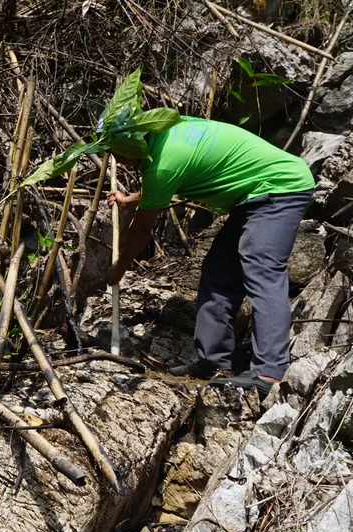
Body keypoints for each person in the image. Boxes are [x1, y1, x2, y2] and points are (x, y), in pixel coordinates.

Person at [106, 117, 316, 395]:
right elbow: (165, 179)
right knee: (219, 273)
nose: (116, 159)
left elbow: (144, 225)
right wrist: (129, 199)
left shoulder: (165, 160)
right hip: (252, 195)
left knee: (262, 270)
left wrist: (119, 268)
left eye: (117, 151)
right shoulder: (166, 133)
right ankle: (212, 361)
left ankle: (269, 374)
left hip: (281, 188)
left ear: (135, 143)